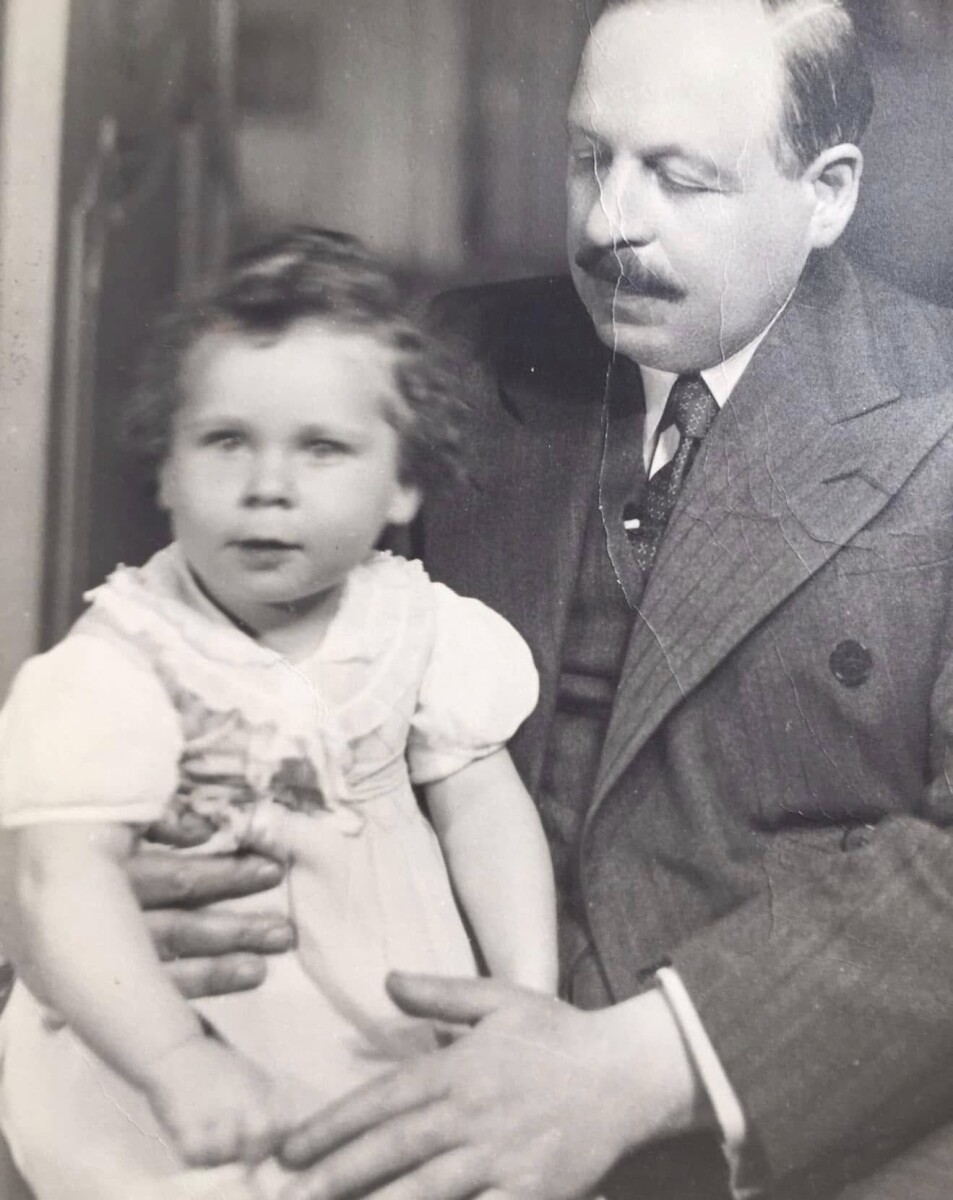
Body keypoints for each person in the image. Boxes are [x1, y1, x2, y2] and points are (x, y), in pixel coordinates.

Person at [70, 1, 953, 1197]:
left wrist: (641, 1066)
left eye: (678, 180)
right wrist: (149, 878)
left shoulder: (934, 414)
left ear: (828, 190)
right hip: (393, 1062)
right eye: (591, 159)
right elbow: (229, 659)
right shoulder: (454, 359)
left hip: (782, 1129)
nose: (609, 223)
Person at [0, 228, 556, 1200]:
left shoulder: (417, 625)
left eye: (321, 448)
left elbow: (481, 807)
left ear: (402, 483)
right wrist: (176, 1061)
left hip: (376, 1043)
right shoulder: (125, 661)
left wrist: (523, 995)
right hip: (171, 1071)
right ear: (167, 470)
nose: (267, 485)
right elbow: (59, 883)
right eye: (225, 442)